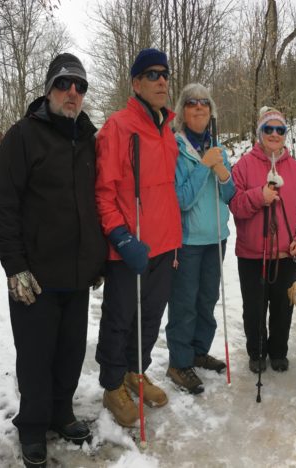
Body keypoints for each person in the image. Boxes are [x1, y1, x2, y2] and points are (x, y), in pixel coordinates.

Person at [0, 53, 105, 467]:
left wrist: (97, 259)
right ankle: (34, 427)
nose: (72, 93)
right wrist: (14, 265)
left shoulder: (89, 140)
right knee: (36, 356)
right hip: (34, 277)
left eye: (80, 86)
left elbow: (96, 203)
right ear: (48, 89)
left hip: (76, 274)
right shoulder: (23, 136)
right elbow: (3, 206)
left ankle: (61, 413)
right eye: (63, 84)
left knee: (70, 351)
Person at [94, 48, 181, 427]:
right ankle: (113, 383)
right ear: (136, 83)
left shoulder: (168, 130)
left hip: (165, 243)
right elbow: (103, 191)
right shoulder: (119, 127)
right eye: (152, 74)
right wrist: (119, 235)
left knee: (150, 316)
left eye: (165, 74)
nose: (162, 81)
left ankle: (136, 371)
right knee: (120, 317)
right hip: (130, 245)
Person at [229, 107, 296, 373]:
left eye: (280, 130)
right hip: (252, 254)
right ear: (260, 133)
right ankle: (256, 352)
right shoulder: (243, 166)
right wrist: (260, 196)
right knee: (254, 310)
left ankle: (278, 351)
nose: (274, 134)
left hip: (286, 255)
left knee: (282, 309)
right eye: (269, 129)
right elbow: (236, 206)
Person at [164, 83, 235, 395]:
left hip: (217, 237)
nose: (199, 108)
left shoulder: (217, 146)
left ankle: (197, 351)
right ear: (183, 111)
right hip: (188, 241)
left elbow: (230, 194)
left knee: (207, 300)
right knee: (184, 303)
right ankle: (179, 362)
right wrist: (204, 167)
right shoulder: (175, 148)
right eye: (192, 103)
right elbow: (181, 200)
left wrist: (222, 171)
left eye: (205, 103)